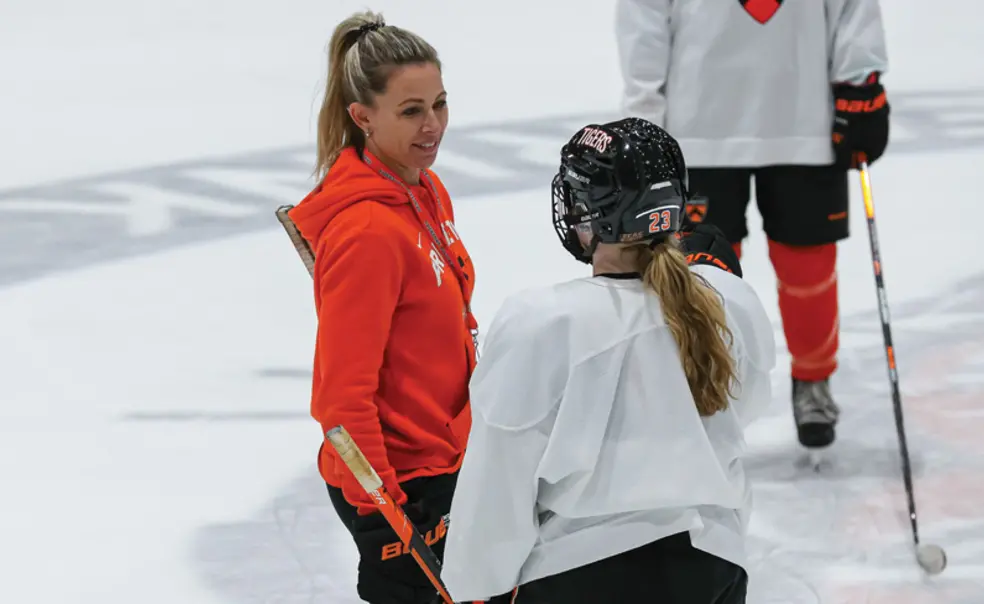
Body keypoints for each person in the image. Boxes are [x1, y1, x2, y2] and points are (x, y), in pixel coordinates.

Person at [440, 118, 776, 603]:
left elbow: (501, 474)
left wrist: (476, 581)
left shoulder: (543, 322)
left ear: (590, 214)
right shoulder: (727, 301)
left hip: (582, 576)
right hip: (713, 566)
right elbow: (741, 409)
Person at [614, 0, 890, 450]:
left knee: (809, 270)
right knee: (702, 277)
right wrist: (646, 119)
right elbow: (642, 21)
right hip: (697, 132)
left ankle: (814, 379)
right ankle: (701, 388)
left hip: (807, 125)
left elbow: (852, 8)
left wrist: (861, 83)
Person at [286, 11, 478, 604]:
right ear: (362, 117)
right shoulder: (367, 232)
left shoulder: (422, 188)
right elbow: (342, 399)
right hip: (401, 482)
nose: (434, 125)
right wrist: (388, 509)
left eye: (439, 104)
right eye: (412, 110)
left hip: (444, 457)